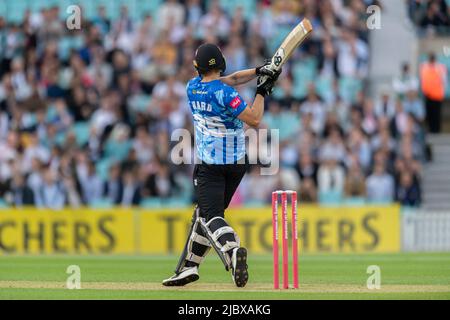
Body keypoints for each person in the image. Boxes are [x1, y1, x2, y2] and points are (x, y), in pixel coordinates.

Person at [162, 43, 280, 287]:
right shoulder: (227, 94)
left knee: (210, 216)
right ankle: (189, 267)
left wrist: (260, 70)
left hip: (210, 166)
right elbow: (255, 117)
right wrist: (263, 90)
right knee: (201, 215)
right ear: (221, 63)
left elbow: (233, 80)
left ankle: (232, 250)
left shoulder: (192, 88)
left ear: (198, 67)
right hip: (236, 165)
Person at [420, 53, 447, 133]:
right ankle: (430, 130)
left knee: (436, 114)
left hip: (437, 95)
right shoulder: (425, 66)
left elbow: (444, 81)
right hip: (428, 95)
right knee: (429, 114)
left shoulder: (440, 67)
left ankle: (436, 130)